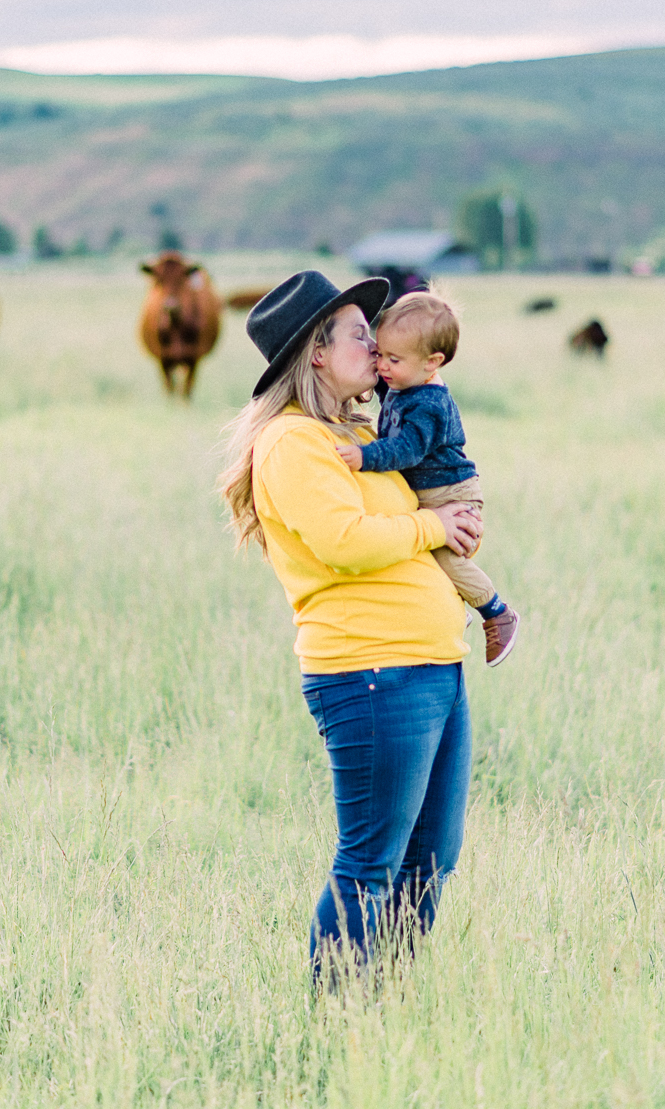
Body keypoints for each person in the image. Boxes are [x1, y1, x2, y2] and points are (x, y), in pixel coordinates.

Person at [218, 270, 484, 981]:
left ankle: (385, 1007)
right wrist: (432, 523)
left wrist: (457, 523)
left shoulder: (360, 432)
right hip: (371, 672)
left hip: (431, 663)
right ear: (316, 353)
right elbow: (345, 540)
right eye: (360, 335)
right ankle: (338, 1021)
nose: (377, 345)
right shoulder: (293, 442)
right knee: (370, 864)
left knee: (430, 860)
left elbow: (412, 516)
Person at [331, 291, 520, 666]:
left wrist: (364, 456)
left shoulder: (429, 405)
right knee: (414, 544)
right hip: (429, 491)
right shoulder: (405, 381)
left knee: (443, 555)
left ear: (433, 363)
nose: (381, 365)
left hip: (449, 492)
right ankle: (447, 609)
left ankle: (497, 612)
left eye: (393, 359)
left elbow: (406, 450)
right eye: (380, 354)